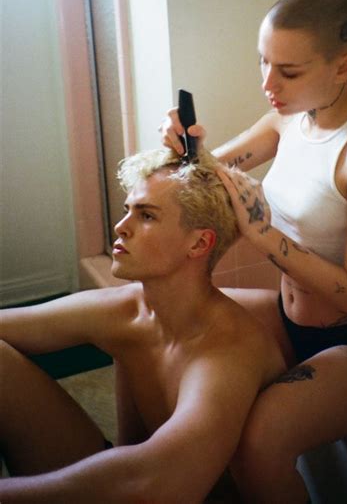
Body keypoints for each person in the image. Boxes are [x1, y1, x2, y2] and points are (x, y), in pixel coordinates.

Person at [163, 0, 347, 503]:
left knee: (257, 442)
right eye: (263, 62)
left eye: (289, 70)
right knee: (174, 331)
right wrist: (186, 153)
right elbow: (214, 174)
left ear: (343, 66)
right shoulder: (289, 113)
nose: (268, 83)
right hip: (288, 318)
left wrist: (263, 235)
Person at [0, 148, 285, 503]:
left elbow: (159, 483)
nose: (121, 227)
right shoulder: (128, 309)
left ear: (199, 243)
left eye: (146, 215)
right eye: (127, 210)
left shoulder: (228, 348)